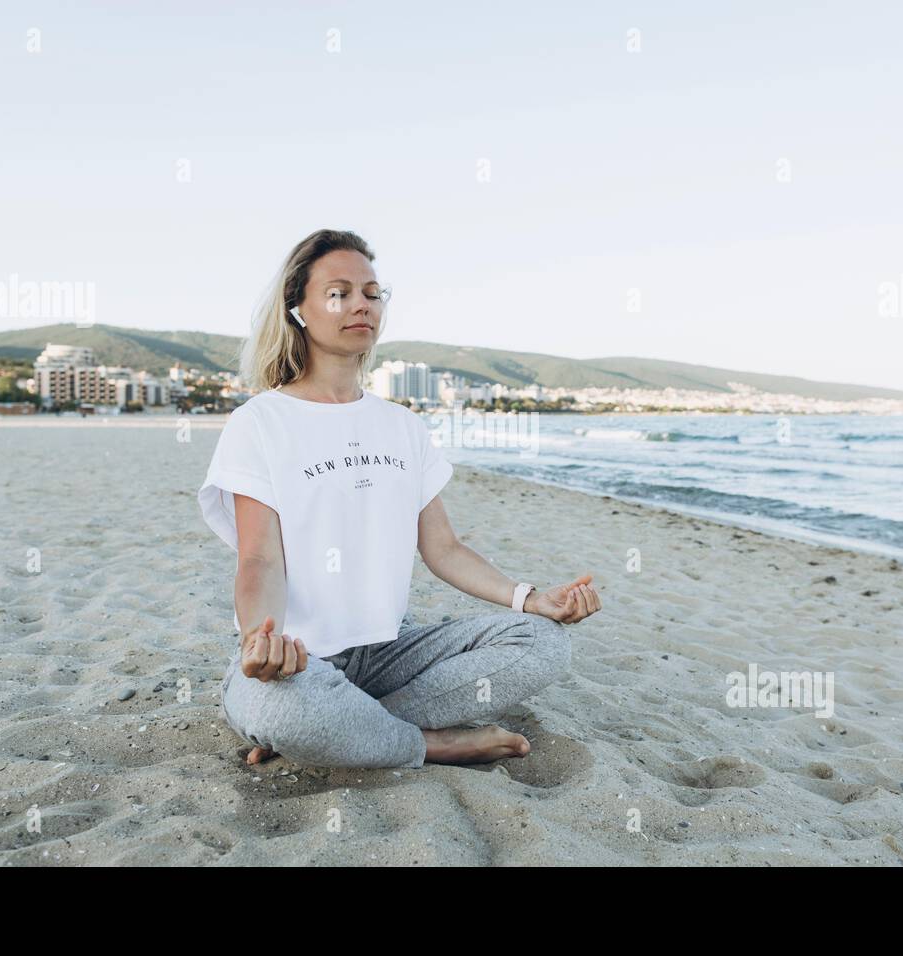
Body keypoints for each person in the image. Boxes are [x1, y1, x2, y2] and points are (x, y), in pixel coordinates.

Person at [198, 228, 601, 769]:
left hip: (391, 651)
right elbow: (260, 558)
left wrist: (531, 598)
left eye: (372, 292)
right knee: (279, 707)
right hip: (302, 658)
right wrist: (259, 641)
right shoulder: (261, 423)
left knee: (542, 643)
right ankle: (426, 743)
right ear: (298, 309)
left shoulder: (401, 426)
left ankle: (352, 730)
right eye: (339, 293)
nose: (361, 305)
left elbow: (445, 549)